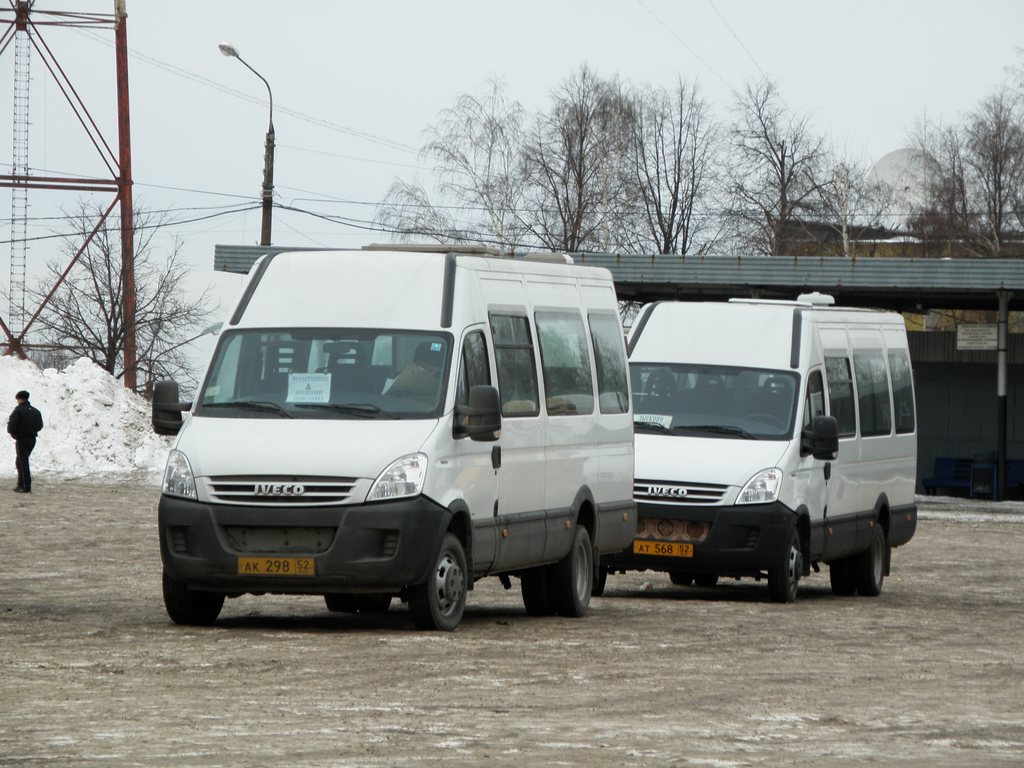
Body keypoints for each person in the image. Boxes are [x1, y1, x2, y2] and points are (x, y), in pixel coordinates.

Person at [8, 390, 43, 494]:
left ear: (19, 399)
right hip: (32, 439)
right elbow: (40, 425)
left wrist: (15, 434)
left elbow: (12, 426)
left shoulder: (18, 410)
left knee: (22, 463)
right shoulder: (35, 411)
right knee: (21, 461)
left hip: (22, 439)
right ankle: (21, 484)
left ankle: (26, 486)